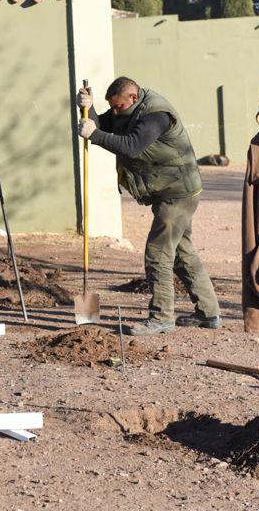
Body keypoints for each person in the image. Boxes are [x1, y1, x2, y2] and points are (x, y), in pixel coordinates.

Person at [76, 76, 221, 335]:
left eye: (118, 106)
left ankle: (162, 318)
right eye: (113, 107)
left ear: (132, 97)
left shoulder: (156, 115)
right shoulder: (128, 109)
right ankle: (208, 314)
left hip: (178, 192)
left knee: (158, 253)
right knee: (182, 252)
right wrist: (88, 108)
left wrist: (95, 135)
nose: (116, 111)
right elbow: (103, 123)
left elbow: (131, 147)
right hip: (168, 189)